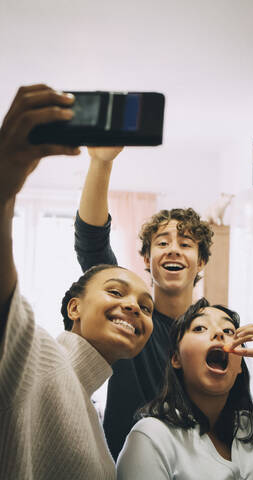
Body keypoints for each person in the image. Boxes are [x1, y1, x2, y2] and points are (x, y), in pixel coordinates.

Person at [74, 147, 253, 459]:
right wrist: (102, 161)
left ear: (201, 261)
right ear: (146, 259)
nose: (173, 250)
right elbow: (92, 243)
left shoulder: (219, 334)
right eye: (162, 243)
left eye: (186, 244)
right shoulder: (132, 321)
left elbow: (238, 419)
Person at [0, 84, 154, 480]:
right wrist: (5, 180)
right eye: (116, 291)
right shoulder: (37, 358)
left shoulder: (84, 404)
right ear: (74, 307)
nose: (135, 307)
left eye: (145, 306)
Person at [116, 298, 253, 479]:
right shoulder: (151, 437)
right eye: (199, 328)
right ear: (176, 359)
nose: (218, 333)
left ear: (239, 365)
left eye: (229, 331)